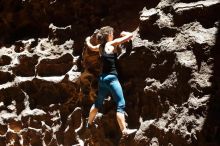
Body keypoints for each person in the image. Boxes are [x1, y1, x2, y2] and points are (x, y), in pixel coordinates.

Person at [85, 26, 137, 137]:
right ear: (108, 35)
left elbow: (90, 47)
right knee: (121, 104)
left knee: (98, 103)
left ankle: (88, 123)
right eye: (112, 34)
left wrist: (87, 40)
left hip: (102, 79)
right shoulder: (112, 43)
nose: (113, 35)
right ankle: (124, 131)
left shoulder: (99, 47)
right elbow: (130, 36)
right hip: (112, 78)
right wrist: (124, 32)